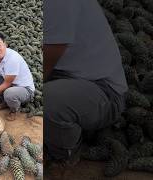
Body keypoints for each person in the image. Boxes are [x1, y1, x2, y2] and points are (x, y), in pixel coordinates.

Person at [43, 0, 128, 171]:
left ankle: (64, 153)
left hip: (103, 90)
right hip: (65, 73)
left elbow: (51, 51)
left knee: (46, 101)